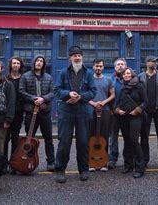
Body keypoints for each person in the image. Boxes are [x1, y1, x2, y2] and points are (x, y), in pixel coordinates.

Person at [54, 46, 97, 183]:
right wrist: (68, 94)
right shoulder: (63, 73)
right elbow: (56, 90)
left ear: (82, 57)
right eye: (74, 56)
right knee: (64, 142)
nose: (77, 57)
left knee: (83, 142)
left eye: (79, 55)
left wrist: (80, 97)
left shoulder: (89, 73)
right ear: (70, 58)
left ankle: (83, 170)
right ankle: (60, 170)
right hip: (66, 110)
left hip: (83, 111)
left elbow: (93, 91)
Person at [19, 55, 55, 172]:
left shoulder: (48, 77)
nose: (39, 63)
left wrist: (43, 99)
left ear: (43, 64)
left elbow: (52, 92)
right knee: (29, 138)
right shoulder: (25, 76)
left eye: (41, 61)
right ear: (33, 62)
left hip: (45, 112)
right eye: (37, 61)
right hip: (31, 112)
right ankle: (27, 161)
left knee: (48, 138)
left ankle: (51, 162)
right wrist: (35, 98)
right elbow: (21, 91)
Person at [115, 68, 148, 178]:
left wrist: (137, 110)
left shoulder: (139, 86)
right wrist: (118, 110)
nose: (126, 75)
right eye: (124, 74)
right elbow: (119, 103)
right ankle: (128, 165)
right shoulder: (123, 87)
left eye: (128, 73)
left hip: (136, 116)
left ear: (132, 75)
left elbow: (145, 102)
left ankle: (140, 168)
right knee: (127, 141)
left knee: (134, 140)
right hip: (124, 117)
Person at [138, 55, 158, 168]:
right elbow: (138, 94)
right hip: (145, 110)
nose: (155, 63)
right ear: (147, 63)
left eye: (156, 62)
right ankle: (144, 160)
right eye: (153, 61)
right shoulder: (140, 77)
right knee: (144, 136)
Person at [88, 59, 115, 172]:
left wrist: (103, 102)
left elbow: (113, 95)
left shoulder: (108, 80)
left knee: (104, 136)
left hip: (105, 111)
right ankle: (91, 163)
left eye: (100, 66)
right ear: (93, 67)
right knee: (91, 136)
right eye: (96, 66)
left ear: (103, 67)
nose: (98, 68)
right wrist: (93, 103)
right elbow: (84, 95)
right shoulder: (88, 80)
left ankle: (104, 162)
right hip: (91, 110)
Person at [4, 56, 25, 173]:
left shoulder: (23, 78)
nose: (16, 65)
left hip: (18, 111)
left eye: (18, 63)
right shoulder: (5, 78)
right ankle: (3, 164)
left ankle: (13, 163)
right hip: (6, 112)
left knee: (15, 138)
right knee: (5, 138)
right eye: (14, 63)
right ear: (10, 65)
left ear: (20, 65)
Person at [108, 58, 126, 169]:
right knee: (112, 138)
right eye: (118, 64)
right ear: (115, 67)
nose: (120, 66)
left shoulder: (131, 79)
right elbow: (107, 95)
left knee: (127, 137)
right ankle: (112, 159)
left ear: (125, 66)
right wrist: (112, 109)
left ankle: (128, 159)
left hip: (126, 114)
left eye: (122, 64)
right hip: (113, 113)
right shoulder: (110, 80)